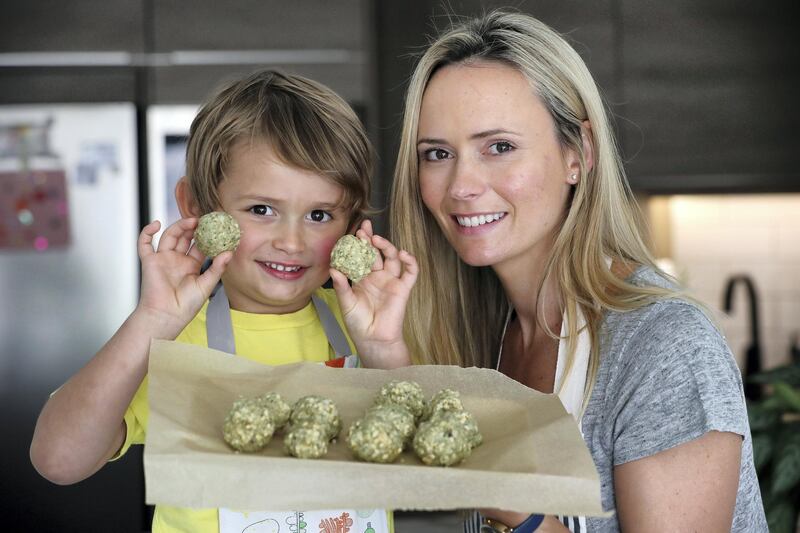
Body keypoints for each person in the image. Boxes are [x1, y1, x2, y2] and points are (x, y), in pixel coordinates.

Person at [386, 10, 767, 533]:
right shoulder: (482, 333)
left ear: (578, 152)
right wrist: (383, 345)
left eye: (499, 147)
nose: (461, 185)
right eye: (437, 153)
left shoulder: (662, 345)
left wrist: (512, 505)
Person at [29, 69, 417, 533]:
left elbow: (424, 474)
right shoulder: (172, 346)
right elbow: (58, 459)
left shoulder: (372, 332)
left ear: (351, 226)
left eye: (318, 215)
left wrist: (384, 351)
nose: (291, 241)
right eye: (261, 210)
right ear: (196, 207)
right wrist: (152, 320)